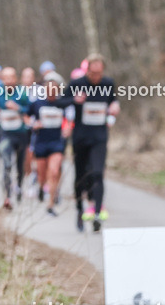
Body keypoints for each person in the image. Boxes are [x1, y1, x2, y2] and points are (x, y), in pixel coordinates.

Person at [66, 54, 119, 232]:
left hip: (99, 137)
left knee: (97, 173)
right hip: (81, 137)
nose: (96, 77)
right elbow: (60, 101)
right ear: (86, 70)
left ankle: (97, 214)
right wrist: (74, 100)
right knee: (81, 176)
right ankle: (79, 211)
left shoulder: (108, 84)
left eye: (99, 73)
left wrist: (115, 107)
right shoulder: (76, 84)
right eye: (93, 73)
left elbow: (113, 102)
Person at [28, 72, 73, 216]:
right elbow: (26, 117)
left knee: (53, 172)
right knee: (42, 175)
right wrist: (33, 124)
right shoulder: (37, 103)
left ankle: (50, 204)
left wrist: (67, 128)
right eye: (49, 89)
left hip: (56, 142)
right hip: (41, 142)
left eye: (54, 90)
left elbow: (69, 119)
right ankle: (41, 188)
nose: (51, 92)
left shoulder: (63, 104)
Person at [0, 67, 32, 209]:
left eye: (11, 78)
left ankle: (19, 186)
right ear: (2, 79)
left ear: (15, 79)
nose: (8, 81)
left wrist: (17, 108)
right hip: (5, 135)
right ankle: (7, 197)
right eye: (5, 78)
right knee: (6, 165)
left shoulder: (22, 93)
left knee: (19, 165)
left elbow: (29, 110)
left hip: (21, 134)